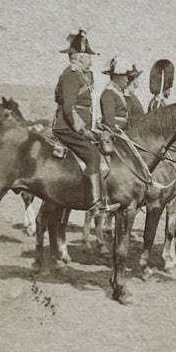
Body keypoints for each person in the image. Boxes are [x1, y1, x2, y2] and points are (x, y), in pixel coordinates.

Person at [53, 29, 119, 217]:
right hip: (66, 127)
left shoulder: (80, 75)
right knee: (92, 155)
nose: (91, 60)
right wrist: (83, 131)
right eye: (88, 57)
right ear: (80, 58)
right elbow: (68, 108)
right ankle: (95, 203)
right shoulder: (71, 75)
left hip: (73, 126)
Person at [100, 57, 143, 131]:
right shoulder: (108, 93)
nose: (127, 80)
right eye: (126, 77)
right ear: (117, 76)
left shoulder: (120, 93)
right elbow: (109, 120)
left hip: (126, 129)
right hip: (116, 131)